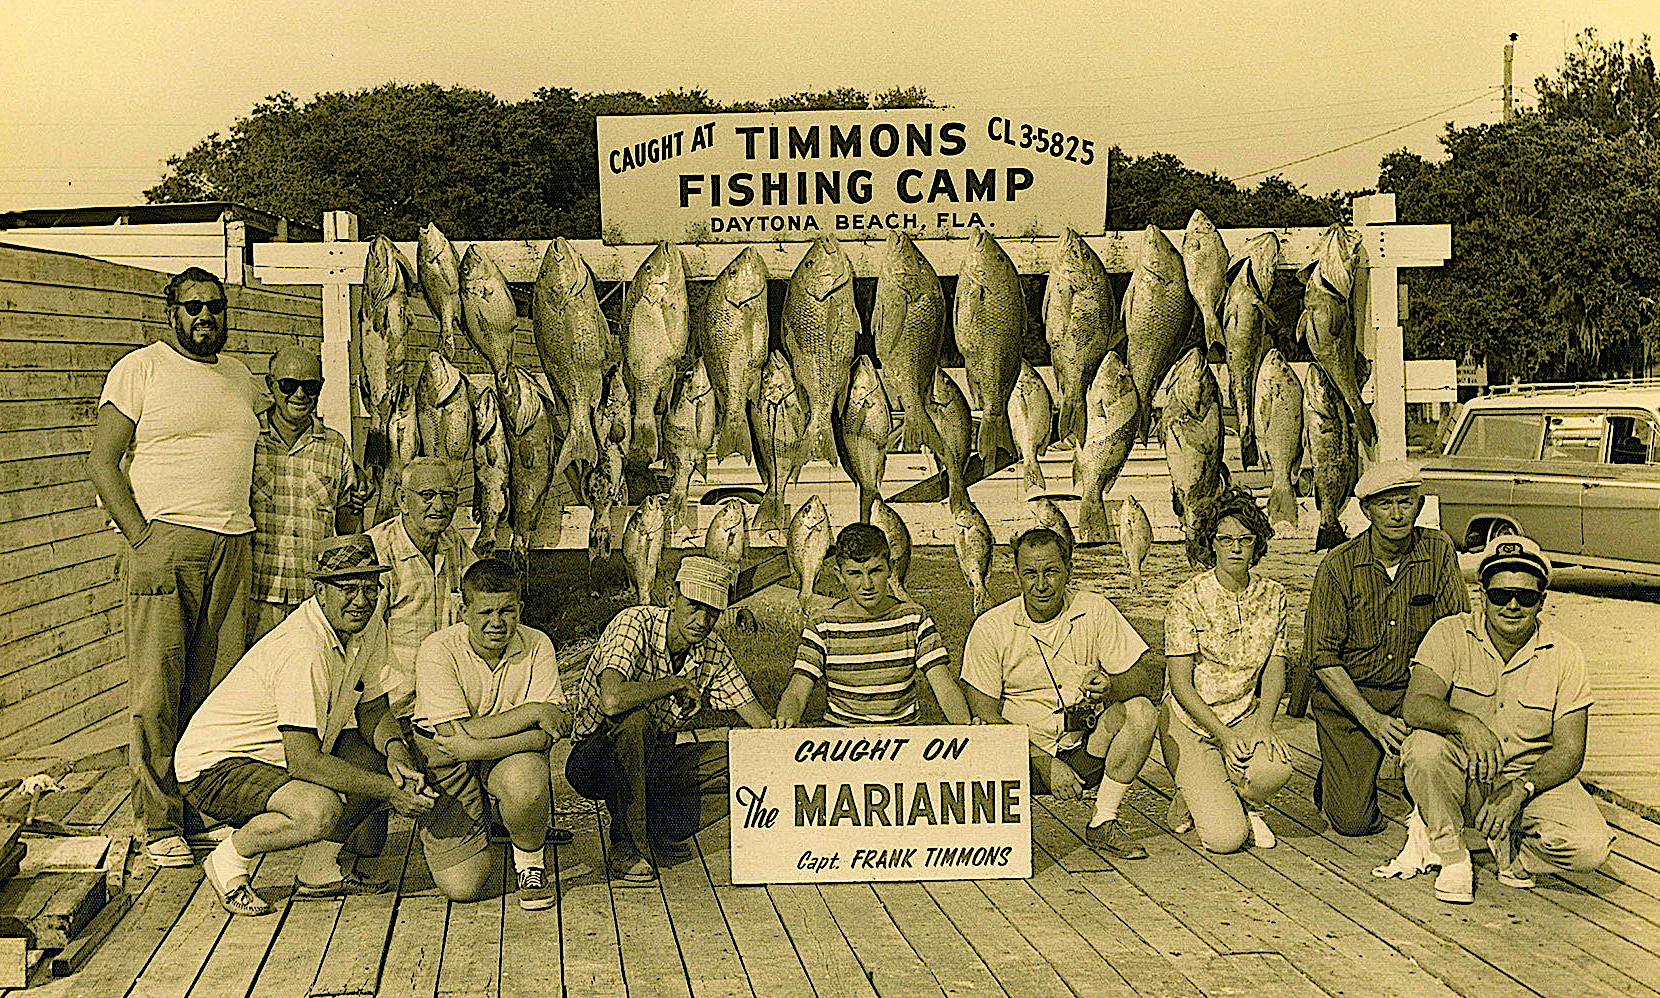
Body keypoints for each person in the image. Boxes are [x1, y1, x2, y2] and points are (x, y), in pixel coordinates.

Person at [86, 266, 261, 868]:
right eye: (192, 308)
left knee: (215, 690)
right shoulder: (140, 368)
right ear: (172, 313)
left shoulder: (238, 376)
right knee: (156, 688)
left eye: (214, 306)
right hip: (166, 542)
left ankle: (201, 808)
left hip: (233, 542)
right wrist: (141, 538)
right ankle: (157, 819)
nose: (204, 317)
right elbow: (104, 463)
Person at [172, 535, 436, 916]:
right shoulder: (303, 647)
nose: (360, 600)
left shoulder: (368, 624)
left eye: (369, 587)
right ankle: (228, 860)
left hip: (279, 754)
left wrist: (396, 753)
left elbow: (374, 708)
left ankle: (319, 871)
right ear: (320, 591)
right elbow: (305, 763)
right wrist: (390, 792)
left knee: (382, 765)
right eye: (347, 588)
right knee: (319, 810)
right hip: (214, 767)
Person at [1401, 534, 1612, 903]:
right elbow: (1416, 705)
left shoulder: (1565, 655)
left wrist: (1521, 789)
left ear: (1542, 601)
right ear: (1483, 595)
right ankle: (1452, 855)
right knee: (1423, 749)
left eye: (1526, 596)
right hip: (1466, 772)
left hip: (1530, 783)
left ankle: (1511, 849)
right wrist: (1466, 724)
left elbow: (1570, 750)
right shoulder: (1449, 633)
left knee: (1591, 848)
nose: (1512, 605)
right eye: (1500, 595)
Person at [565, 556, 777, 884]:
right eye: (693, 605)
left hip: (653, 759)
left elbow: (757, 719)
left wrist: (793, 744)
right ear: (670, 597)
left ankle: (656, 829)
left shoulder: (712, 649)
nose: (702, 619)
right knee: (636, 724)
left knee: (743, 757)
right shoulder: (634, 623)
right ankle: (627, 846)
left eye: (713, 611)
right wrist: (675, 683)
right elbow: (612, 700)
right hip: (595, 757)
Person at [961, 527, 1163, 860]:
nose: (1041, 584)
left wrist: (1113, 685)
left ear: (1068, 568)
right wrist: (1043, 762)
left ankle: (1103, 821)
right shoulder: (992, 625)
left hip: (1085, 747)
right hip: (1020, 758)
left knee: (1141, 711)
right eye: (1030, 573)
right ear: (1016, 574)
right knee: (981, 734)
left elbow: (1145, 677)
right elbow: (982, 711)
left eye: (1051, 572)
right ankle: (996, 833)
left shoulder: (1094, 609)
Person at [1303, 460, 1468, 836]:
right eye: (1384, 504)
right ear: (1366, 510)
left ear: (1419, 503)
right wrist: (1371, 720)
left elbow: (1458, 633)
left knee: (1444, 798)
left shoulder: (1438, 550)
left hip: (1415, 694)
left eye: (1406, 502)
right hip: (1352, 699)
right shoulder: (1338, 565)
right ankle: (1336, 773)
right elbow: (1323, 657)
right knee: (1354, 822)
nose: (1397, 514)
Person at [411, 559, 571, 911]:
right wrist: (531, 715)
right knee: (463, 887)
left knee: (527, 782)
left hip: (483, 755)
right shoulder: (438, 649)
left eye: (507, 611)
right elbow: (452, 734)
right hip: (445, 761)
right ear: (463, 610)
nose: (496, 623)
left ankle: (530, 864)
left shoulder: (538, 644)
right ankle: (486, 823)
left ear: (520, 609)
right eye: (484, 612)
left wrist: (473, 746)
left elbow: (553, 730)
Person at [1161, 488, 1295, 853]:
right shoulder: (1187, 598)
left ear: (1257, 545)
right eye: (1226, 539)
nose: (1236, 548)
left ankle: (1246, 803)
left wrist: (1264, 723)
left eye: (1245, 539)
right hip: (1192, 723)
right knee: (1225, 839)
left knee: (1275, 768)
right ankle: (1192, 788)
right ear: (1211, 543)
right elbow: (1179, 684)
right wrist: (1221, 734)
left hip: (1245, 717)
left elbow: (1275, 667)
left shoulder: (1274, 595)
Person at [774, 523, 979, 727]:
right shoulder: (823, 625)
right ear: (839, 575)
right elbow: (797, 691)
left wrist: (964, 723)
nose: (867, 584)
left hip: (902, 735)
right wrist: (786, 720)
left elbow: (943, 686)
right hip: (842, 738)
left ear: (890, 568)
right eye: (855, 574)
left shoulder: (914, 618)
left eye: (875, 571)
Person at [248, 345, 369, 645]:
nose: (299, 395)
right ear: (270, 385)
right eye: (289, 385)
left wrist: (357, 504)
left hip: (312, 602)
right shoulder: (247, 438)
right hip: (254, 599)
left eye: (310, 386)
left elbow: (345, 528)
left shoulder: (336, 446)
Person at [366, 458, 476, 716]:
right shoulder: (379, 551)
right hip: (394, 709)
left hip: (449, 702)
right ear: (403, 500)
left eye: (448, 495)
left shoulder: (453, 542)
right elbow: (361, 644)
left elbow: (483, 602)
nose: (439, 505)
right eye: (427, 495)